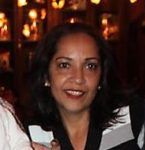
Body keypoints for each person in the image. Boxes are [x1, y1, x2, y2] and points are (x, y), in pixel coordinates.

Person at [27, 22, 137, 150]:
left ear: (101, 76)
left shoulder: (132, 121)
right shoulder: (26, 137)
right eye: (65, 65)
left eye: (90, 66)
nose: (78, 78)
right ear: (46, 75)